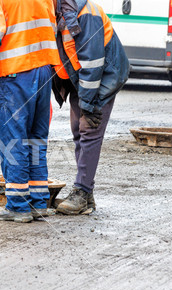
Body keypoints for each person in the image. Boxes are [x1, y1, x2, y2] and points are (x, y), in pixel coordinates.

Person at [0, 0, 61, 223]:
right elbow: (51, 28)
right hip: (44, 70)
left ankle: (17, 205)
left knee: (13, 140)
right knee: (35, 139)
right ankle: (37, 202)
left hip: (17, 73)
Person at [52, 0, 130, 215]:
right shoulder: (58, 11)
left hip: (104, 77)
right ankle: (86, 194)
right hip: (82, 78)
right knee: (78, 129)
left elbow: (93, 63)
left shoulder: (87, 15)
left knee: (89, 128)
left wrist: (89, 104)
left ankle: (82, 191)